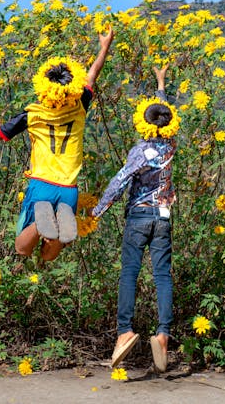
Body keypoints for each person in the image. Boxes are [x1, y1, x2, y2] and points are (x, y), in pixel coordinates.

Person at [0, 29, 114, 262]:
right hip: (69, 189)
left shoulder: (33, 114)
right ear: (72, 88)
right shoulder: (80, 107)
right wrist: (105, 47)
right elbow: (92, 76)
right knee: (49, 256)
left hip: (42, 185)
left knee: (22, 249)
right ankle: (55, 224)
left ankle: (39, 224)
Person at [91, 65, 180, 373]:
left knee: (129, 274)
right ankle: (164, 333)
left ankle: (125, 331)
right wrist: (161, 83)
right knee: (162, 277)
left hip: (139, 218)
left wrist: (96, 212)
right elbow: (164, 112)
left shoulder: (140, 151)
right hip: (163, 218)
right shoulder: (170, 145)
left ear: (144, 122)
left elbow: (119, 182)